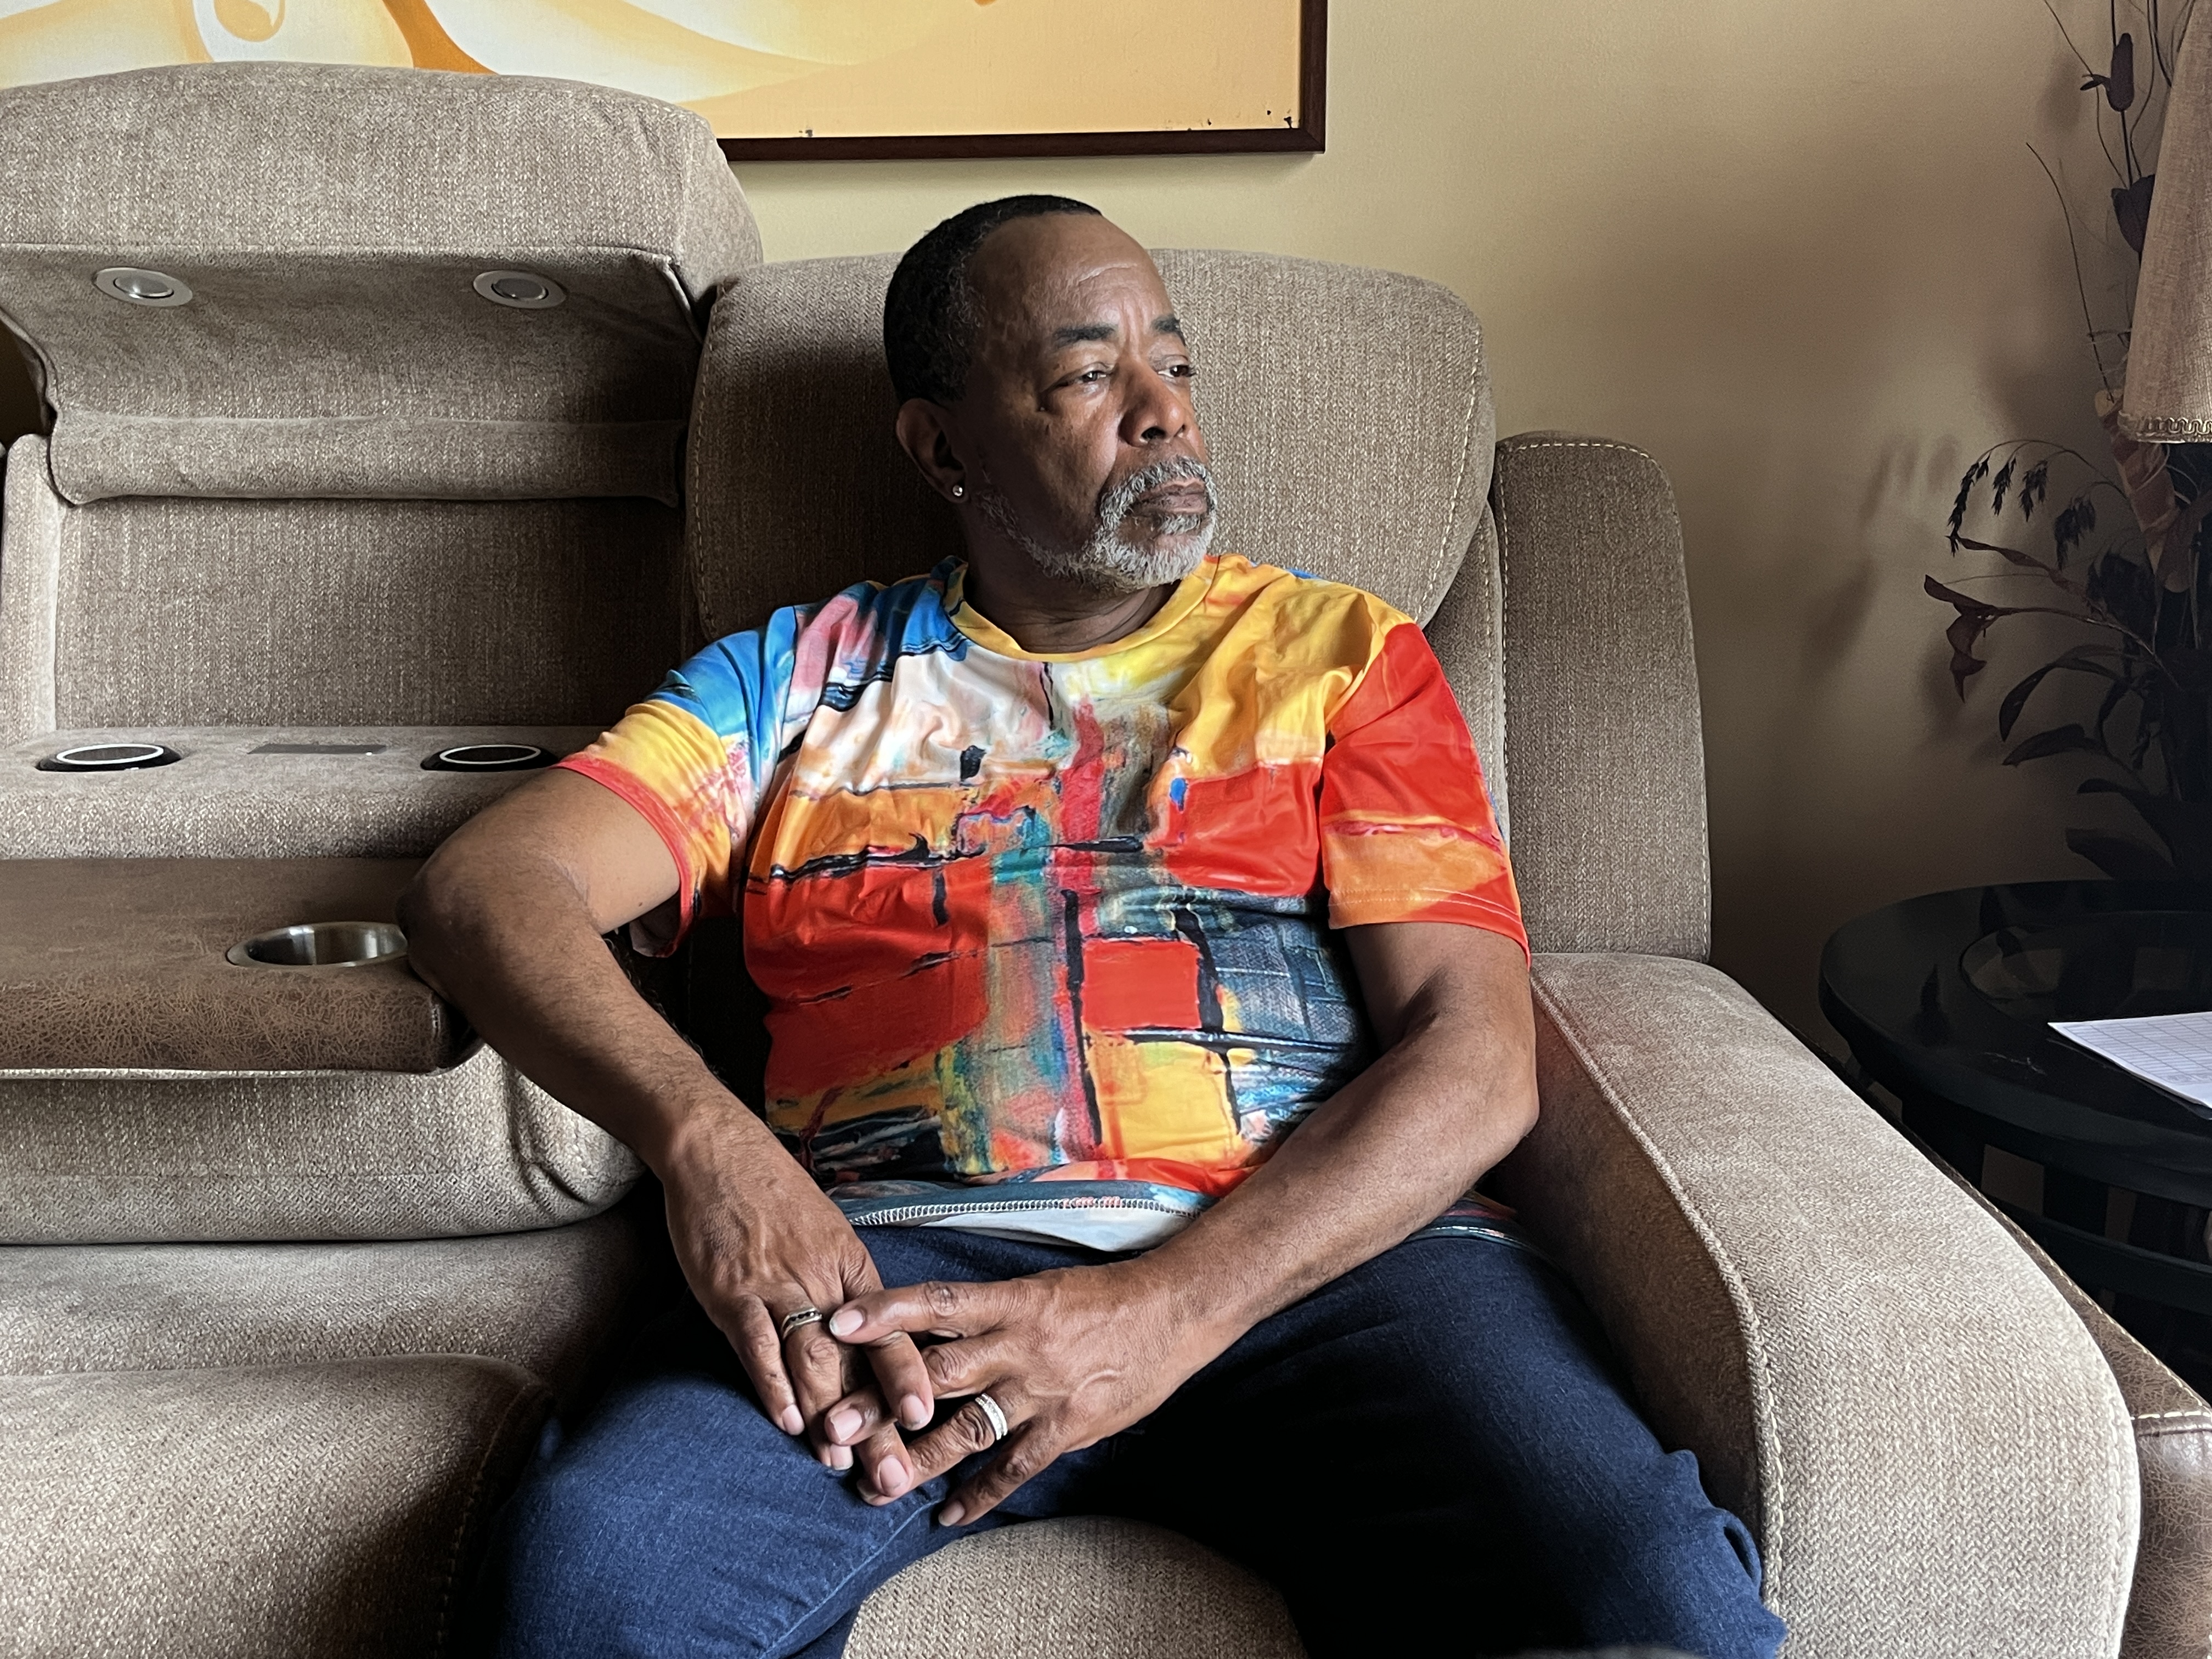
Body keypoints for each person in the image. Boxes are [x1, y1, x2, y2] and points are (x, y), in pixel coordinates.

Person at [403, 195, 1785, 1659]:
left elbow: (1478, 1054)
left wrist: (1163, 1313)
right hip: (900, 1277)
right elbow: (486, 889)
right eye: (1085, 375)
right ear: (943, 448)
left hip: (1328, 1276)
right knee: (595, 1592)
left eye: (1173, 368)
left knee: (1652, 1596)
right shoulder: (797, 681)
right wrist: (708, 1147)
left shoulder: (1335, 659)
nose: (1162, 416)